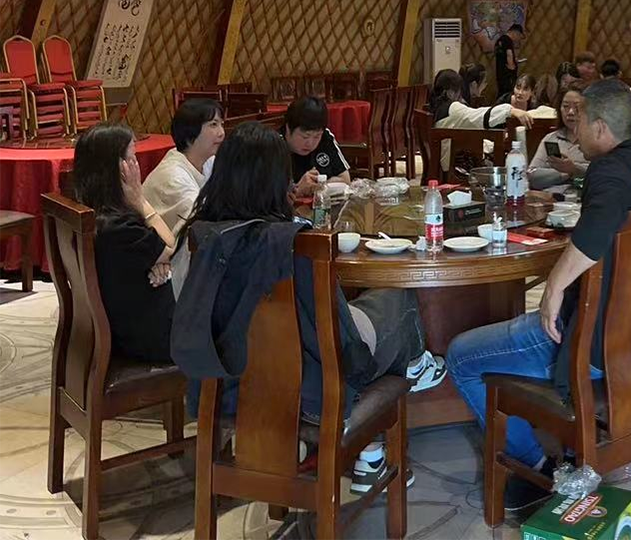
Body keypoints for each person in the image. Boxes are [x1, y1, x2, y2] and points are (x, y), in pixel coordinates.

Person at [174, 121, 445, 489]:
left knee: (364, 322)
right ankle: (409, 376)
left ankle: (373, 448)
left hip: (226, 388)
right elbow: (340, 339)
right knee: (396, 298)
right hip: (309, 394)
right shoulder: (293, 242)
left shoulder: (199, 236)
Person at [445, 79, 631, 510]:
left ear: (601, 127)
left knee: (460, 356)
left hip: (592, 344)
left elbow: (596, 230)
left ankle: (533, 468)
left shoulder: (608, 171)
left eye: (581, 121)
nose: (575, 128)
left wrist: (553, 288)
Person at [66, 123, 178, 363]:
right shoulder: (119, 229)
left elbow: (161, 253)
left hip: (125, 323)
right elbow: (170, 245)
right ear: (114, 171)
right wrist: (140, 200)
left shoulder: (97, 214)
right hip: (149, 337)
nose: (137, 167)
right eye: (132, 159)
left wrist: (161, 265)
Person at [143, 96, 225, 234]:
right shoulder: (173, 177)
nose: (222, 133)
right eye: (213, 125)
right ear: (190, 131)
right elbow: (200, 219)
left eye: (222, 124)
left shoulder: (209, 160)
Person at [283, 96, 350, 197]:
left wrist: (322, 185)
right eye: (305, 136)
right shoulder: (273, 145)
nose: (310, 143)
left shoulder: (325, 137)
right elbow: (266, 198)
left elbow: (345, 179)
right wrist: (298, 190)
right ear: (288, 129)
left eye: (316, 136)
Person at [527, 86, 590, 191]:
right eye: (566, 106)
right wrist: (565, 173)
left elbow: (600, 173)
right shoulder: (551, 138)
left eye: (577, 107)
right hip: (550, 197)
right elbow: (532, 175)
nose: (570, 112)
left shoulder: (595, 140)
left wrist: (574, 168)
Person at [495, 23, 523, 99]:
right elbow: (509, 54)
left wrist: (514, 60)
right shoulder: (508, 40)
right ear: (515, 33)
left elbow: (502, 55)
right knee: (508, 93)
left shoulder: (499, 40)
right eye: (519, 36)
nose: (518, 39)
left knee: (501, 91)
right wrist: (512, 67)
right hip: (507, 74)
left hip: (500, 71)